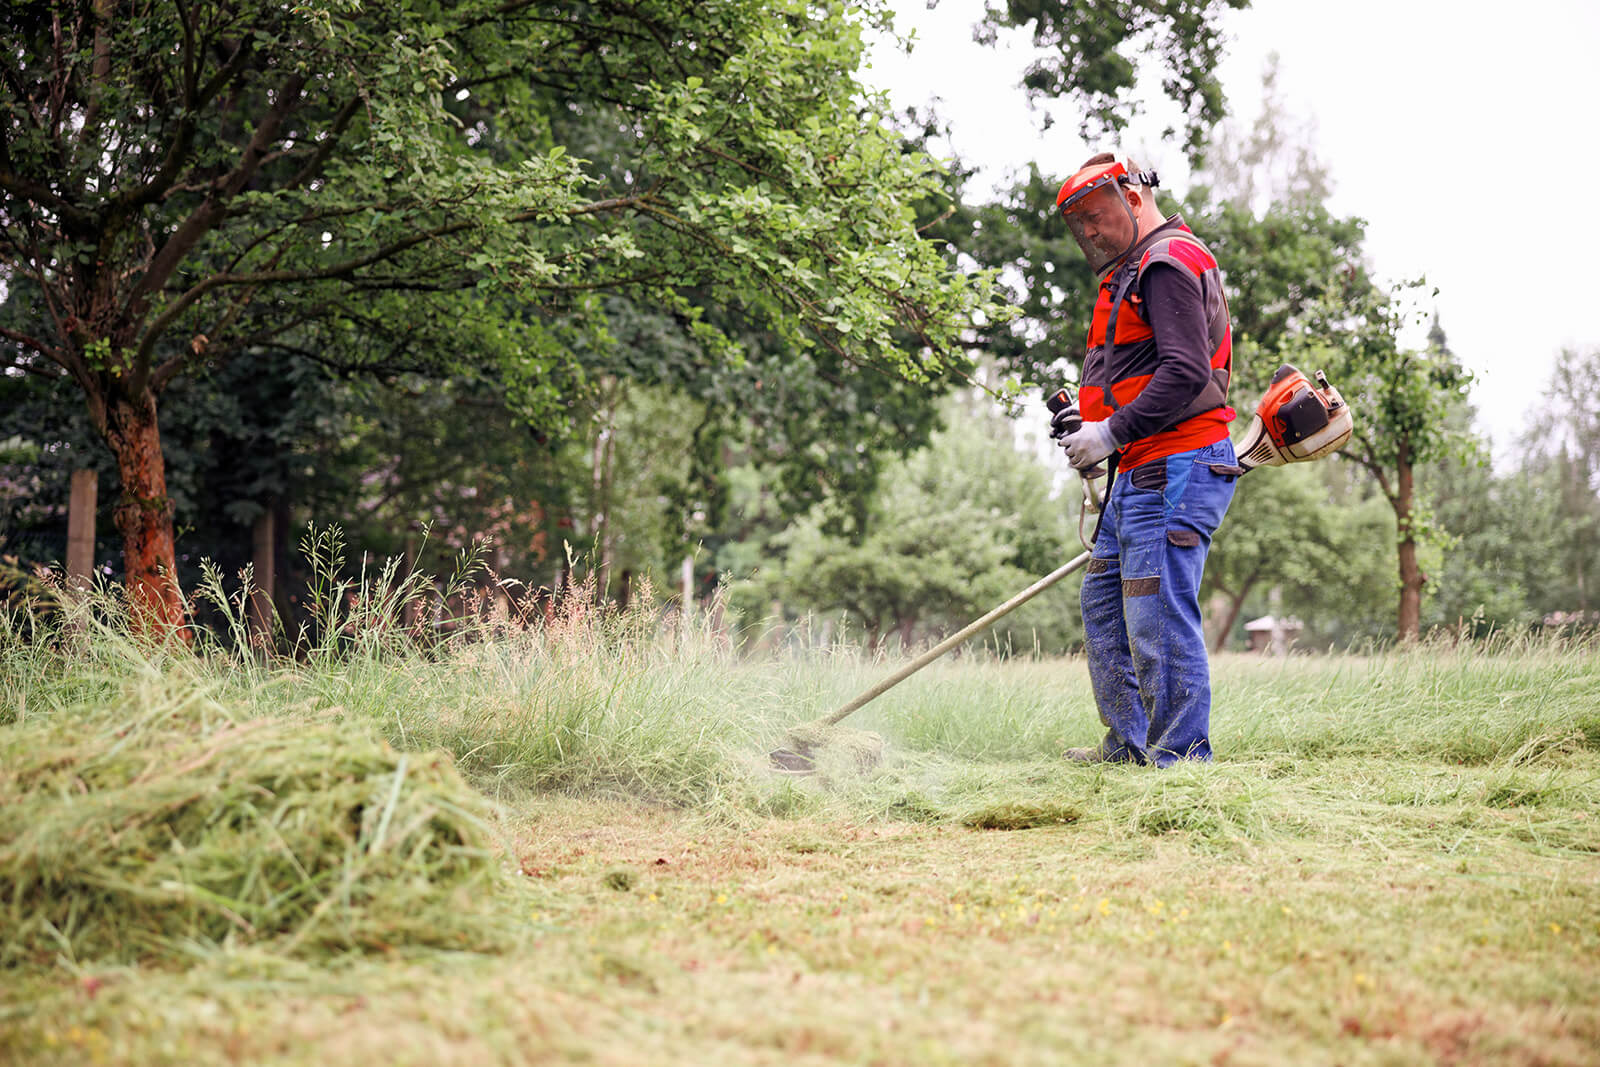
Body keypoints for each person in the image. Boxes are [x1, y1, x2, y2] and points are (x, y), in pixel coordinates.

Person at [1053, 152, 1240, 766]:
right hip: (1143, 466)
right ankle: (1129, 745)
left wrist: (1110, 433)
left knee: (1156, 611)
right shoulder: (1134, 270)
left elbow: (1186, 371)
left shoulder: (1166, 263)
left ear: (1133, 198)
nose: (1090, 233)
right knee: (1105, 606)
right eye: (1079, 225)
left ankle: (1181, 761)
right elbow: (1139, 372)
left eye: (1096, 217)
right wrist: (1092, 423)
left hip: (1178, 464)